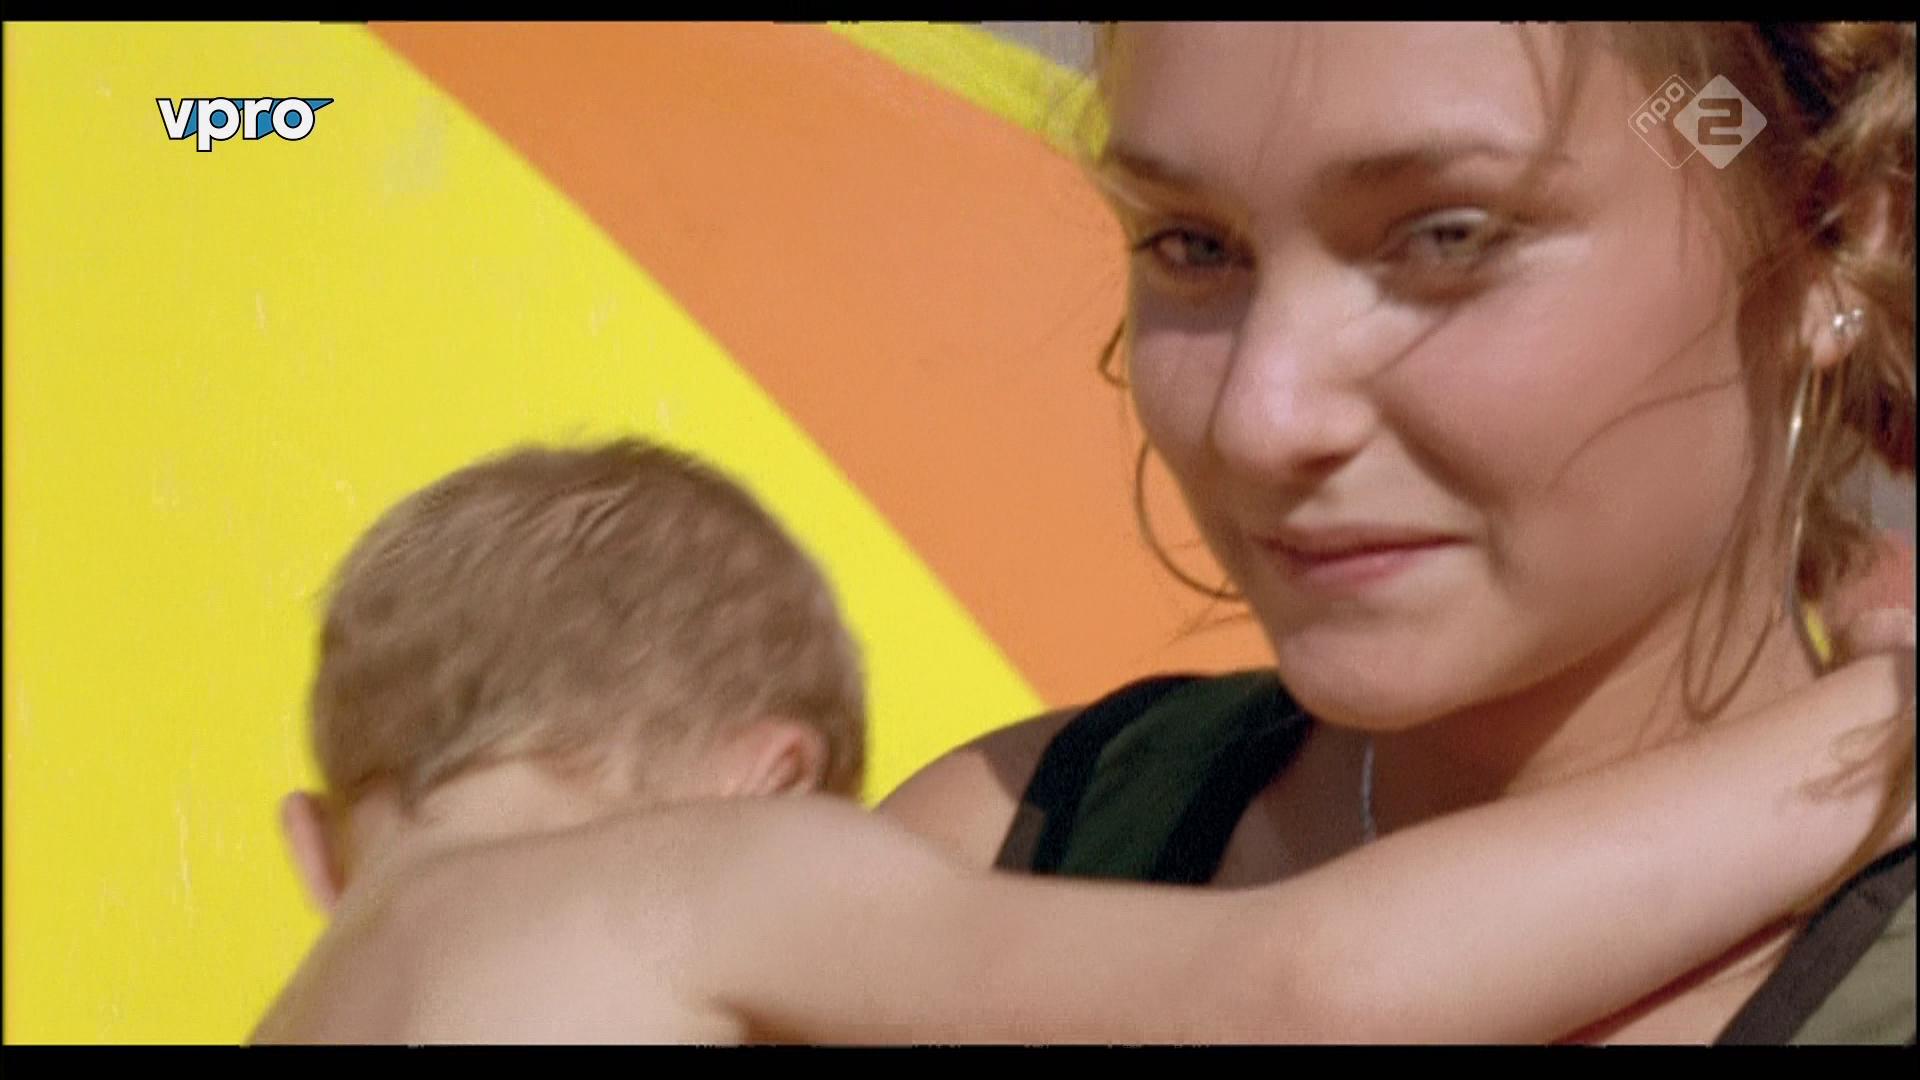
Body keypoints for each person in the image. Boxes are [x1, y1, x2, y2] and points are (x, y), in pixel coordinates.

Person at [879, 22, 1918, 1044]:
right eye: (1192, 245)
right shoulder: (992, 852)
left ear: (1820, 235)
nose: (1260, 421)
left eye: (1448, 237)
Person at [252, 437, 1911, 1044]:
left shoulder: (326, 992)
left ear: (317, 846)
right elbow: (1310, 990)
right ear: (777, 782)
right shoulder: (701, 877)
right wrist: (1872, 717)